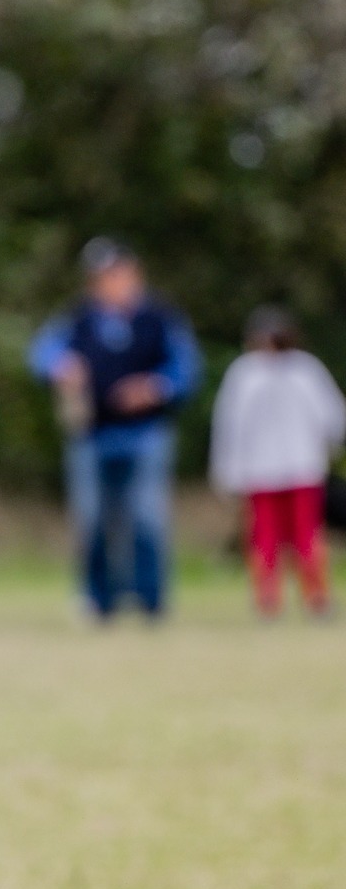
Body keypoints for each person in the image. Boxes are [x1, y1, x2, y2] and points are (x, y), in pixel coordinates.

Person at [28, 239, 201, 619]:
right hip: (91, 434)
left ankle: (152, 603)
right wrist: (61, 365)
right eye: (101, 277)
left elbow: (186, 369)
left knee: (146, 519)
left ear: (133, 274)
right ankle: (98, 601)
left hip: (146, 434)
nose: (109, 282)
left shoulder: (159, 318)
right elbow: (42, 352)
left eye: (115, 273)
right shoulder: (79, 319)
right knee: (92, 520)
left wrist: (155, 387)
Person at [210, 307, 344, 617]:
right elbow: (231, 426)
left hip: (301, 469)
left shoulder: (305, 371)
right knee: (265, 538)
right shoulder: (246, 374)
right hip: (261, 472)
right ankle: (268, 598)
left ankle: (316, 596)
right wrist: (228, 470)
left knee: (306, 536)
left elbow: (332, 418)